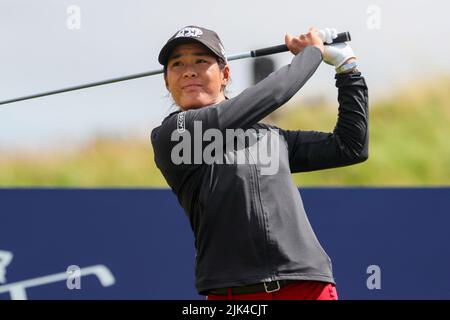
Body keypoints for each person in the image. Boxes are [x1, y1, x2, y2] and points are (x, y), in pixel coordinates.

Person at [151, 25, 368, 300]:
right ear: (167, 82)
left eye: (201, 61)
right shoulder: (174, 135)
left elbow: (350, 147)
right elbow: (271, 94)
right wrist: (311, 54)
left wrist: (348, 71)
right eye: (177, 64)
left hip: (307, 286)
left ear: (225, 74)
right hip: (234, 294)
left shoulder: (269, 137)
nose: (189, 71)